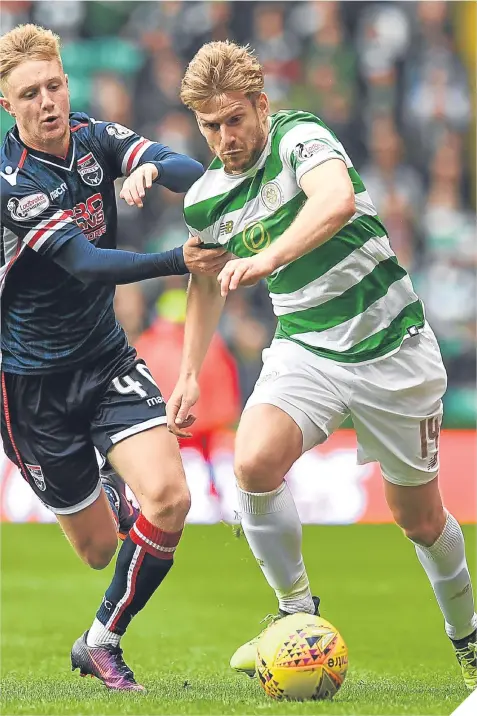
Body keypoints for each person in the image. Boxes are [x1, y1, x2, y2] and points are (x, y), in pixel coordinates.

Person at [167, 40, 477, 690]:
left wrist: (268, 258)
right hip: (306, 347)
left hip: (392, 350)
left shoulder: (299, 137)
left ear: (260, 104)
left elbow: (333, 201)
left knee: (418, 520)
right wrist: (191, 370)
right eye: (209, 126)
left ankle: (467, 637)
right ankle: (294, 616)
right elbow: (202, 281)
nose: (224, 137)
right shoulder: (205, 200)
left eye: (233, 120)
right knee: (252, 462)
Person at [0, 24, 228, 692]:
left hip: (104, 359)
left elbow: (194, 173)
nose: (46, 103)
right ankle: (103, 477)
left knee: (169, 497)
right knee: (99, 548)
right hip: (30, 388)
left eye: (54, 86)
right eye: (28, 94)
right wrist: (175, 261)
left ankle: (101, 640)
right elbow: (87, 264)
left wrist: (157, 167)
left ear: (67, 82)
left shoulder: (97, 137)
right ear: (6, 105)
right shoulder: (13, 185)